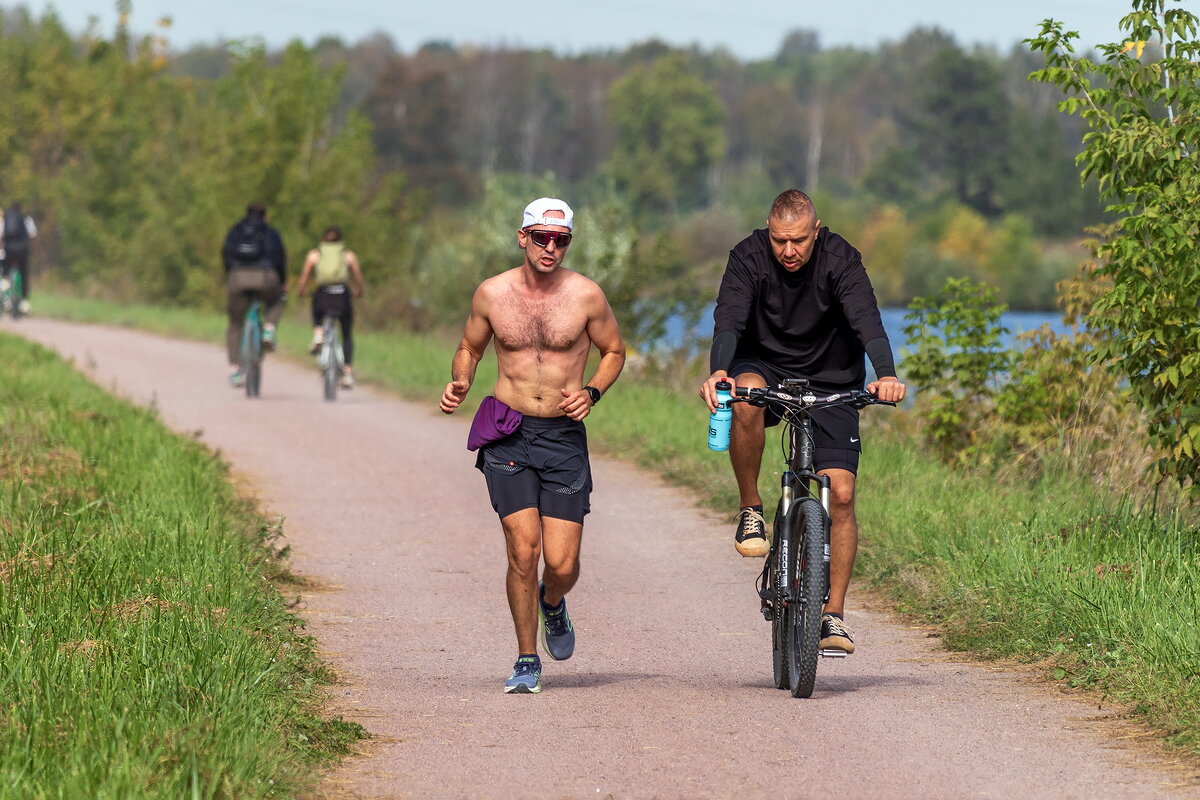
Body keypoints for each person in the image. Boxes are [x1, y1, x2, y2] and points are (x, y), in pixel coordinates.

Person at [698, 189, 906, 655]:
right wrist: (718, 371)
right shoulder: (748, 256)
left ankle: (832, 615)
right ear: (768, 234)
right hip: (764, 365)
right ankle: (751, 509)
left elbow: (867, 321)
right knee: (744, 398)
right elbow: (729, 319)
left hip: (832, 376)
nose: (788, 251)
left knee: (844, 496)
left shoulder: (841, 258)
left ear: (816, 231)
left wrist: (886, 374)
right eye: (779, 241)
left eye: (798, 241)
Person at [439, 197, 626, 694]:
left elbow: (614, 350)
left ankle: (553, 602)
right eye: (541, 238)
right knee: (523, 549)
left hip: (563, 436)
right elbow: (469, 347)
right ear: (522, 237)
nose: (550, 247)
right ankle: (526, 658)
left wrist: (592, 392)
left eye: (560, 240)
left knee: (561, 564)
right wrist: (460, 380)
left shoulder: (586, 296)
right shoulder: (492, 294)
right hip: (510, 430)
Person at [222, 203, 287, 388]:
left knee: (235, 323)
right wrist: (282, 282)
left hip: (238, 277)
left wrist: (231, 275)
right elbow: (280, 259)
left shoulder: (236, 230)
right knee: (277, 301)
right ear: (265, 216)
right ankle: (269, 328)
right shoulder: (270, 232)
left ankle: (235, 371)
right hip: (266, 277)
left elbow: (225, 254)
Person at [296, 226, 366, 389]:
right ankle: (347, 373)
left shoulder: (315, 254)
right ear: (341, 241)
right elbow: (357, 277)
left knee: (316, 309)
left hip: (323, 295)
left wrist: (301, 289)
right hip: (342, 294)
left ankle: (318, 333)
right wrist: (359, 290)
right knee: (347, 333)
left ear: (323, 240)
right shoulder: (347, 255)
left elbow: (305, 276)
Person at [1, 202, 37, 314]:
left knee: (5, 272)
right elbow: (33, 235)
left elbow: (1, 236)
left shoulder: (5, 219)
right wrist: (32, 249)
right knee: (24, 273)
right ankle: (25, 302)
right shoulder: (26, 218)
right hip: (23, 249)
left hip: (9, 249)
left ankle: (5, 288)